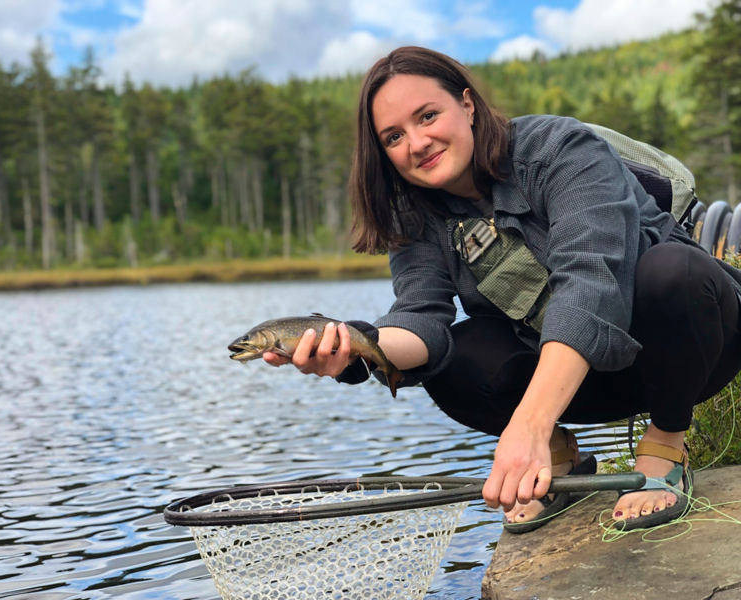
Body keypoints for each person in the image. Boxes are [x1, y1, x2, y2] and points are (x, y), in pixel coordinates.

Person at [263, 46, 741, 533]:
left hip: (690, 351)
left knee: (674, 272)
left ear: (467, 105)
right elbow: (420, 320)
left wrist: (526, 423)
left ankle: (665, 441)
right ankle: (560, 458)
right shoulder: (415, 214)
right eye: (394, 136)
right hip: (583, 384)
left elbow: (589, 282)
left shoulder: (560, 148)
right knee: (450, 358)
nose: (417, 142)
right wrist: (353, 348)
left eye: (428, 115)